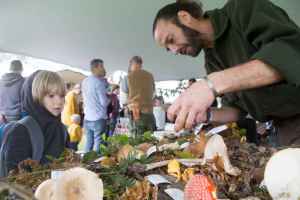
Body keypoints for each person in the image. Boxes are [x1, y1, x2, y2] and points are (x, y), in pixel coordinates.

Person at [153, 0, 300, 146]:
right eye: (168, 49)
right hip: (282, 128)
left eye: (171, 40)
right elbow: (237, 111)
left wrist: (211, 84)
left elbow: (291, 53)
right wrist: (207, 115)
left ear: (185, 17)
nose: (174, 51)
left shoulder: (243, 9)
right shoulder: (212, 63)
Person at [2, 70, 67, 173]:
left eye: (62, 96)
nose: (59, 101)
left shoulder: (61, 129)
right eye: (51, 96)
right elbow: (13, 177)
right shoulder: (22, 131)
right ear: (36, 97)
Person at [81, 59, 109, 152]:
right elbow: (104, 103)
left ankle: (85, 163)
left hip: (87, 117)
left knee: (89, 143)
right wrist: (110, 99)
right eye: (102, 66)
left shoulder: (85, 81)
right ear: (95, 68)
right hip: (98, 118)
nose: (104, 69)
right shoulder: (99, 83)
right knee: (98, 142)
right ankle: (95, 164)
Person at [126, 56, 156, 136]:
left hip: (136, 114)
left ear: (131, 64)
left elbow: (123, 99)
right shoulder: (150, 76)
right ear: (141, 64)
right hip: (150, 113)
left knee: (137, 142)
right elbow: (153, 93)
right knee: (150, 139)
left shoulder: (128, 77)